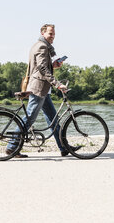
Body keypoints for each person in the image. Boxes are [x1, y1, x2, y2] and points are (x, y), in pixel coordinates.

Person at [6, 24, 81, 158]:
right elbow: (41, 68)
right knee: (30, 118)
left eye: (54, 34)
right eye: (50, 34)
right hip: (38, 88)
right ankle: (12, 146)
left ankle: (64, 147)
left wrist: (53, 65)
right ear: (43, 33)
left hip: (43, 89)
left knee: (53, 119)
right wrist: (58, 84)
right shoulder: (41, 46)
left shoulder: (40, 46)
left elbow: (42, 66)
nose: (53, 37)